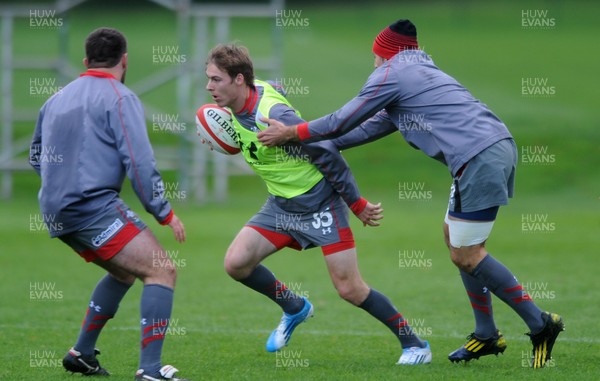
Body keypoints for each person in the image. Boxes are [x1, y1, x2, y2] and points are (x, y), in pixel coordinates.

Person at [257, 19, 564, 369]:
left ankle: (541, 324)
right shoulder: (418, 70)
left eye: (375, 56)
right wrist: (311, 143)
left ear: (384, 53)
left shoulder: (390, 74)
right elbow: (364, 129)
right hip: (489, 149)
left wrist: (293, 132)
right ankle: (487, 334)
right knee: (455, 239)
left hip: (478, 158)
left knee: (468, 254)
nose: (372, 63)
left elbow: (342, 120)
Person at [204, 43, 432, 365]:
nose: (209, 87)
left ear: (239, 80)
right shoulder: (245, 100)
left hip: (320, 203)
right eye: (209, 79)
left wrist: (356, 203)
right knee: (236, 263)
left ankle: (415, 344)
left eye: (216, 80)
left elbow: (325, 150)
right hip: (280, 207)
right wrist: (219, 138)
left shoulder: (272, 115)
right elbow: (272, 88)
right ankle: (295, 307)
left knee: (350, 289)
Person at [29, 27, 190, 381]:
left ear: (85, 62)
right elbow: (139, 161)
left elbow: (36, 155)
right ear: (125, 60)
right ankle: (150, 370)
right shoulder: (121, 97)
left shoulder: (55, 99)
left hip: (55, 210)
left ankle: (81, 353)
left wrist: (61, 182)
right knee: (162, 269)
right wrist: (164, 211)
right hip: (92, 206)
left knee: (123, 272)